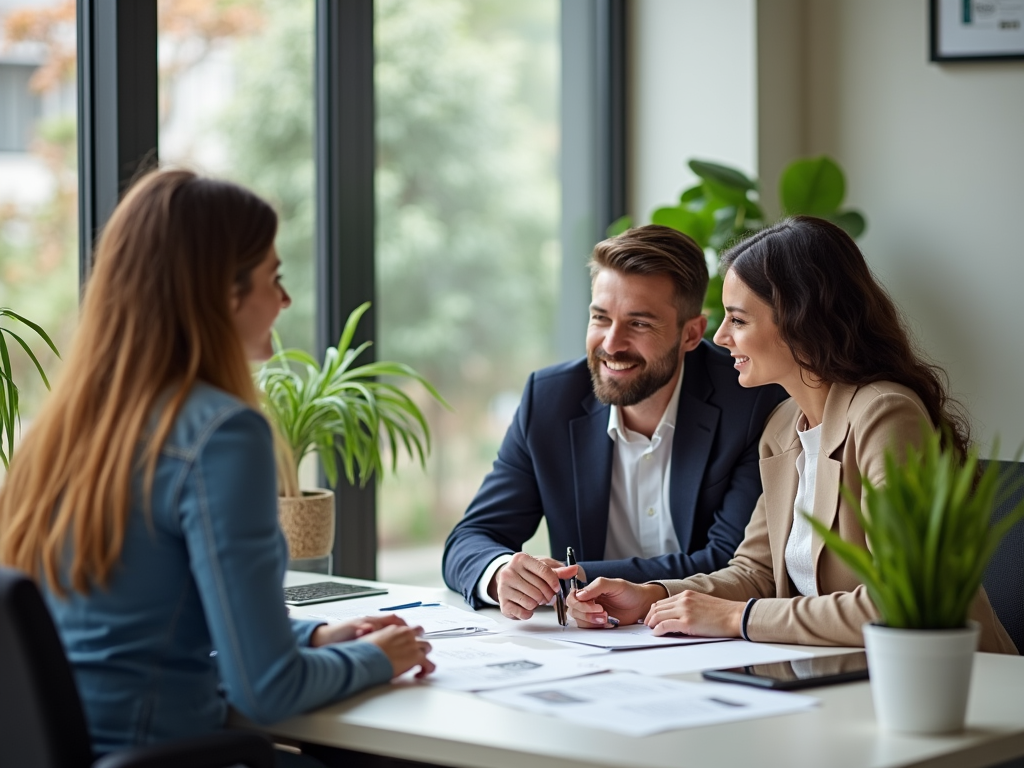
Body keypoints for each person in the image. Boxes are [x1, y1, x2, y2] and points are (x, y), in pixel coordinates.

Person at [0, 170, 435, 762]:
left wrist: (315, 636)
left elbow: (143, 626)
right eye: (272, 279)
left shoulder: (61, 430)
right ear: (220, 292)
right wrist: (379, 658)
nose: (284, 300)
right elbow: (267, 691)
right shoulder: (222, 435)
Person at [566, 215, 1016, 654]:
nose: (720, 337)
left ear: (801, 323)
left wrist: (734, 618)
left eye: (738, 320)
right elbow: (755, 572)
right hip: (843, 677)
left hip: (955, 684)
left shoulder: (885, 415)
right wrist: (653, 595)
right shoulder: (784, 425)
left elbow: (900, 603)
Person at [443, 225, 787, 619]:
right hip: (588, 650)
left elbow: (731, 562)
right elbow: (469, 540)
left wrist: (571, 579)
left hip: (707, 638)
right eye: (601, 318)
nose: (611, 343)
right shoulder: (550, 399)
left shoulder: (751, 399)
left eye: (639, 323)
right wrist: (501, 573)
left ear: (691, 333)